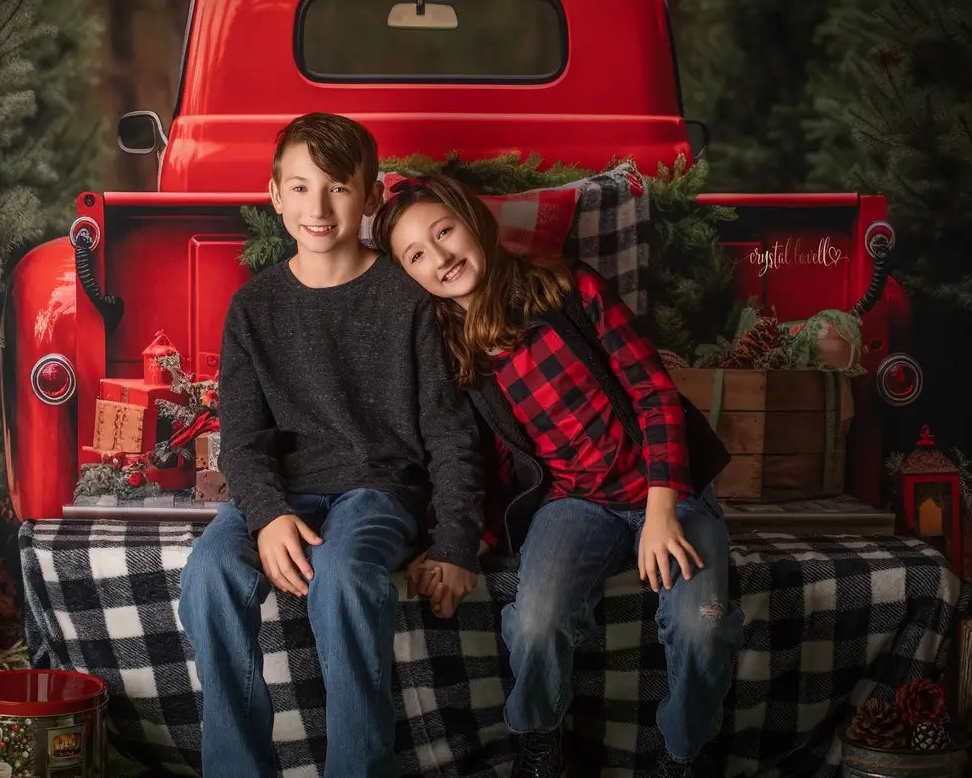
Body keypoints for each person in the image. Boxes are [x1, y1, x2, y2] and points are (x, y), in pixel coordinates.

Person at [375, 174, 744, 778]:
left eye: (445, 231)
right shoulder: (454, 354)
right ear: (407, 274)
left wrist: (660, 511)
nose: (440, 257)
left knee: (703, 630)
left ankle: (684, 752)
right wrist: (461, 546)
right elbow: (490, 468)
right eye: (417, 253)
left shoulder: (564, 289)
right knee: (537, 620)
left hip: (668, 492)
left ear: (473, 220)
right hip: (574, 503)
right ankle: (538, 739)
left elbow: (655, 396)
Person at [178, 116, 486, 778]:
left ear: (371, 198)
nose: (318, 208)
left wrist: (457, 539)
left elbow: (450, 433)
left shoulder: (408, 299)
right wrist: (266, 515)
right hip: (284, 493)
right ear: (275, 195)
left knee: (344, 577)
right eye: (301, 187)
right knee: (208, 573)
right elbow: (244, 441)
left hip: (377, 491)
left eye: (340, 189)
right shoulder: (254, 307)